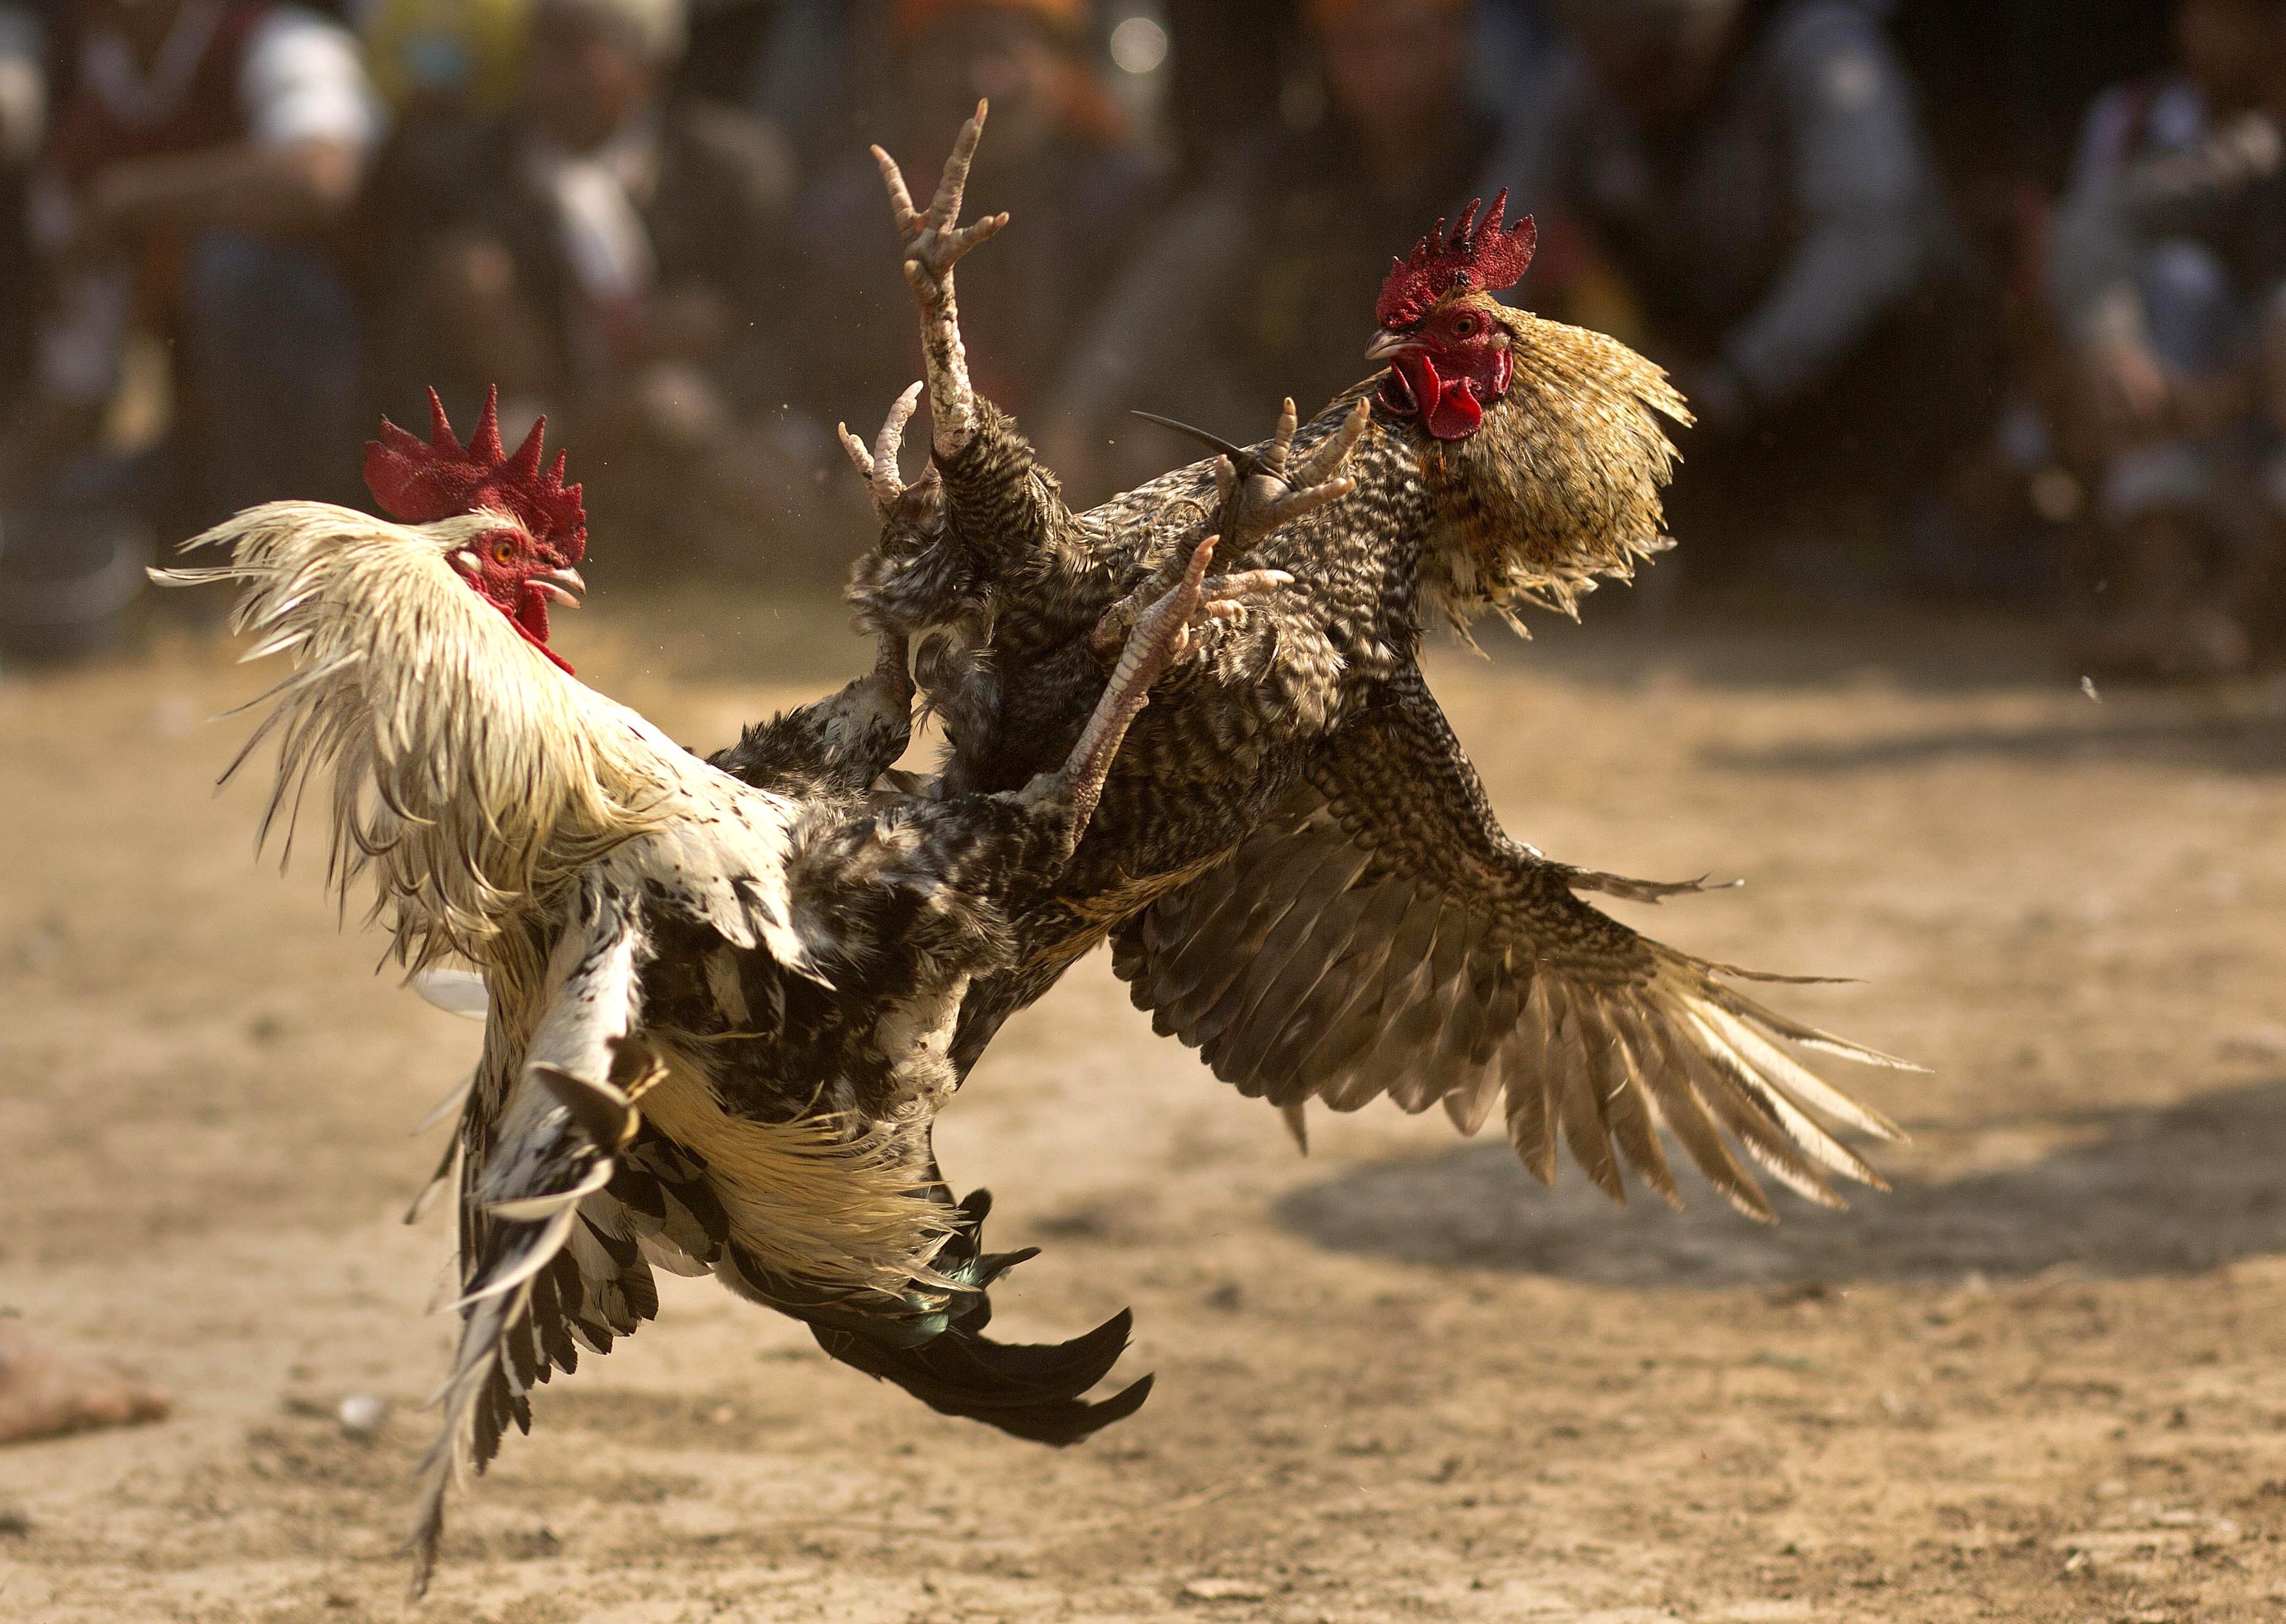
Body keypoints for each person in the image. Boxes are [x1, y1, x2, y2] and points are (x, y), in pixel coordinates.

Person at [1523, 0, 1993, 596]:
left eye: (1655, 62)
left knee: (1916, 300)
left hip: (1828, 363)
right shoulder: (1587, 72)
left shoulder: (1817, 47)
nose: (1630, 84)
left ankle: (1871, 523)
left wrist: (1730, 385)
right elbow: (1503, 221)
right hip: (1701, 352)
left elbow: (1870, 247)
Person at [373, 0, 811, 573]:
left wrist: (708, 374)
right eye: (540, 45)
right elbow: (405, 359)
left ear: (649, 63)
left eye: (578, 47)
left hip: (687, 429)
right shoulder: (458, 173)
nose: (547, 70)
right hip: (532, 428)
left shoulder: (732, 170)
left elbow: (792, 332)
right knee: (484, 471)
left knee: (762, 474)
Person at [1039, 0, 1501, 502]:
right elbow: (1168, 289)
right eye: (1364, 45)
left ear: (1460, 41)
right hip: (1281, 430)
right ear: (1326, 52)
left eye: (1410, 40)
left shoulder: (1507, 165)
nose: (1389, 67)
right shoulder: (1278, 173)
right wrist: (1077, 417)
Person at [2, 0, 381, 526]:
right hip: (203, 428)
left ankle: (287, 529)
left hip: (369, 408)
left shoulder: (278, 37)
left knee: (235, 265)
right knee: (66, 506)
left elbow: (320, 178)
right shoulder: (83, 107)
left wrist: (133, 201)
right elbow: (78, 383)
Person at [790, 0, 1157, 501]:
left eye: (1006, 50)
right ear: (910, 71)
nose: (983, 80)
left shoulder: (1126, 206)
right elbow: (812, 379)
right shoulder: (847, 219)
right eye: (955, 51)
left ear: (1061, 68)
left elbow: (1151, 362)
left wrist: (1081, 428)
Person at [2047, 0, 2286, 677]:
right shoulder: (2258, 151)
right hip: (2239, 461)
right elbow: (2099, 221)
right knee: (2174, 283)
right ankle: (2164, 603)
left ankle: (2238, 613)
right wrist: (2113, 347)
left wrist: (2234, 393)